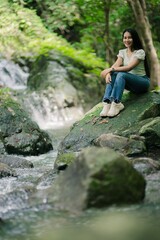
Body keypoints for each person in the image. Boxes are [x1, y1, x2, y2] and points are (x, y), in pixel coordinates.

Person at [100, 28, 150, 118]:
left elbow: (128, 67)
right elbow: (115, 65)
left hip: (142, 82)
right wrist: (109, 73)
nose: (127, 40)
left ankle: (117, 103)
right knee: (114, 74)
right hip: (130, 84)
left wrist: (109, 70)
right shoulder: (122, 52)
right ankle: (107, 103)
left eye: (129, 37)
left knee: (121, 74)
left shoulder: (140, 52)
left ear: (134, 38)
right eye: (125, 38)